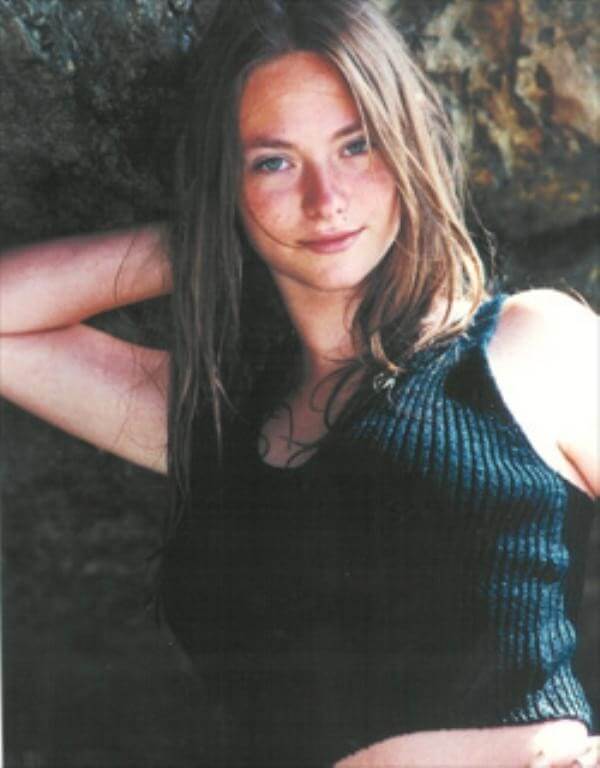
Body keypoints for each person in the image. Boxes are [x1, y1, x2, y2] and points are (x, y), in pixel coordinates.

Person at [1, 0, 598, 765]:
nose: (326, 200)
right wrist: (207, 233)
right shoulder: (213, 421)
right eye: (274, 162)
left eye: (356, 145)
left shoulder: (531, 345)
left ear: (406, 144)